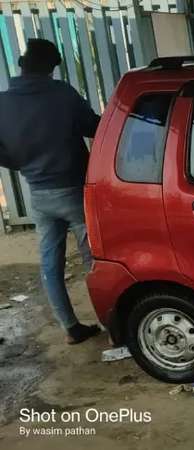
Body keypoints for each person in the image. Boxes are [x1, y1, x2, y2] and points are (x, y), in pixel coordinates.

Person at [0, 39, 103, 344]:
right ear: (51, 67)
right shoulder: (62, 94)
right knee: (93, 260)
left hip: (39, 194)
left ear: (21, 63)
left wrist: (21, 164)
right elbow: (95, 127)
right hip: (73, 190)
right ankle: (114, 325)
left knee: (50, 262)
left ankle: (71, 327)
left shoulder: (2, 103)